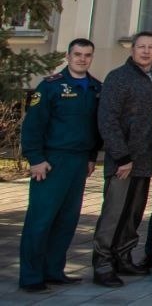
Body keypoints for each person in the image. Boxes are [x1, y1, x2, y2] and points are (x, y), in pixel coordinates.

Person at [19, 39, 101, 294]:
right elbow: (33, 125)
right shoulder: (51, 87)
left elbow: (95, 128)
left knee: (67, 220)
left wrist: (91, 156)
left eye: (87, 55)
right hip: (51, 161)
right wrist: (35, 159)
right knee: (41, 220)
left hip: (78, 162)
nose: (82, 59)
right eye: (77, 54)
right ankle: (31, 275)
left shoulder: (96, 87)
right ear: (68, 55)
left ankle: (54, 270)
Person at [93, 31, 152, 287]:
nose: (146, 51)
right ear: (132, 49)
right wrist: (121, 156)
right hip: (122, 161)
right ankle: (102, 264)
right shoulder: (118, 78)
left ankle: (123, 257)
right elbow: (107, 119)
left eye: (151, 47)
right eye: (141, 47)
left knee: (133, 214)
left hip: (145, 161)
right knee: (113, 214)